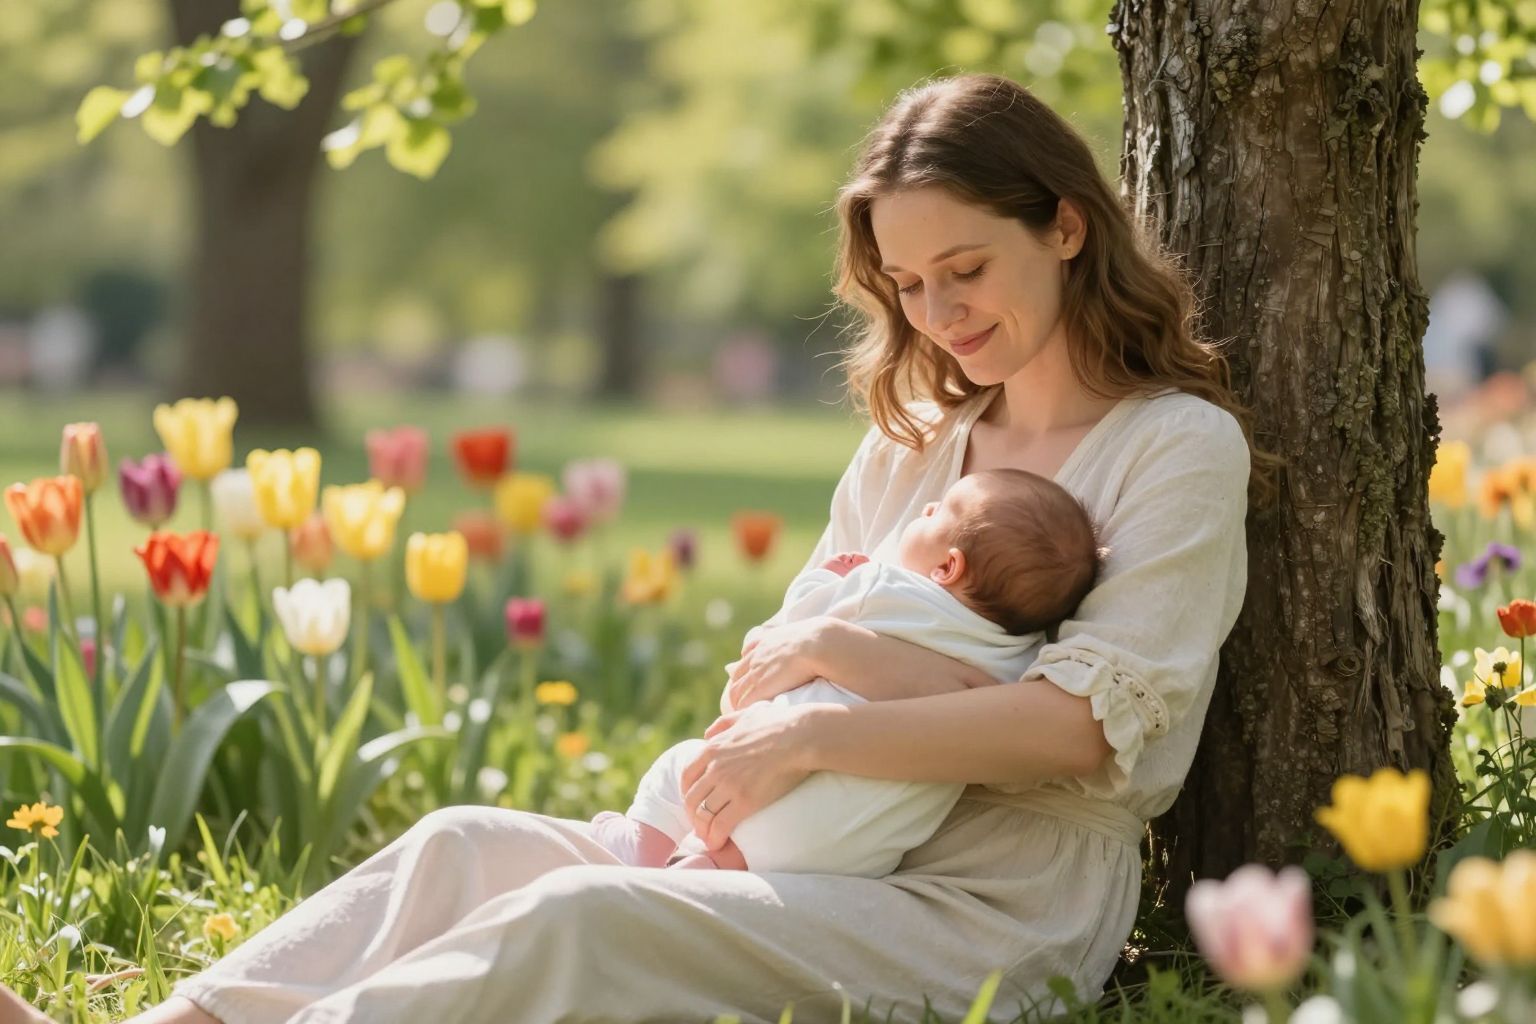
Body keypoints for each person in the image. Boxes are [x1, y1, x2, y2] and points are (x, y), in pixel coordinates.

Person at [0, 71, 1262, 1024]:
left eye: (966, 267)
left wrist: (821, 731)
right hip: (790, 838)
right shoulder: (916, 447)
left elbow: (1078, 729)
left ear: (1068, 228)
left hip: (985, 905)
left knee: (578, 915)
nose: (940, 314)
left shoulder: (1172, 448)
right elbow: (783, 659)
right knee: (463, 841)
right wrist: (760, 763)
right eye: (910, 285)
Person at [594, 468, 1105, 875]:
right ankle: (703, 869)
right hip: (861, 840)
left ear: (947, 567)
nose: (924, 509)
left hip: (767, 773)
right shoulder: (1017, 655)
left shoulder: (880, 589)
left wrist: (829, 576)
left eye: (936, 513)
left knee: (679, 770)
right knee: (738, 854)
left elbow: (777, 642)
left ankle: (643, 845)